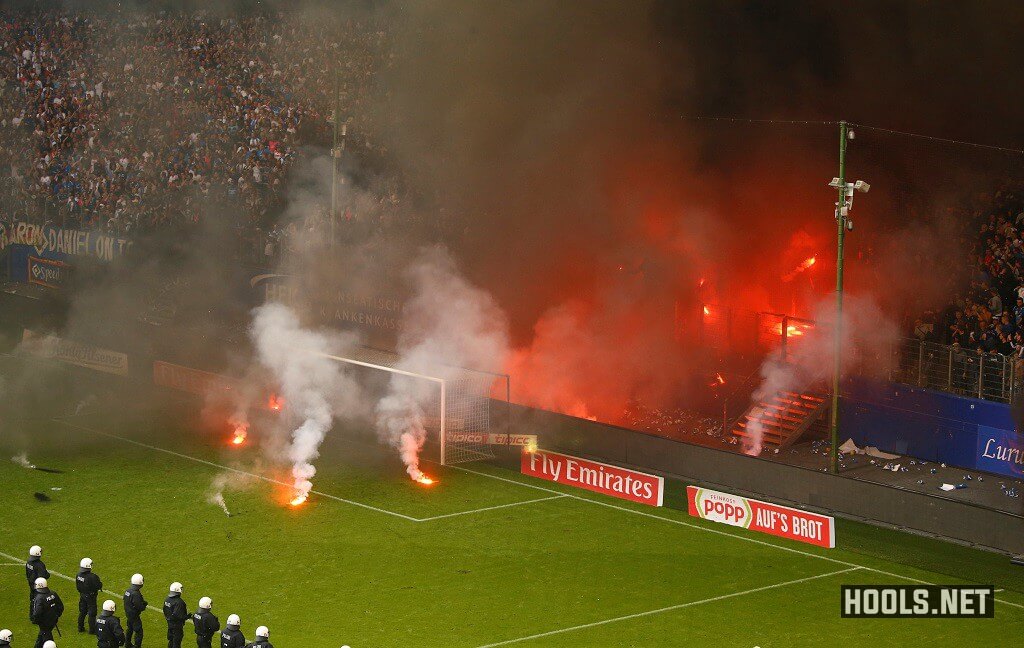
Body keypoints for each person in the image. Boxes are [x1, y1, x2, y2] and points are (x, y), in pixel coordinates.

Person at [30, 577, 64, 648]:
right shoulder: (53, 593)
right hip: (53, 620)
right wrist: (57, 615)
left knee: (48, 640)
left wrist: (36, 621)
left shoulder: (39, 598)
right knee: (42, 635)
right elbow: (60, 606)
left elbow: (37, 613)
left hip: (44, 623)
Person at [77, 558, 103, 634]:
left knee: (82, 612)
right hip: (91, 597)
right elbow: (98, 585)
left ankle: (80, 627)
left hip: (82, 595)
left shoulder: (78, 575)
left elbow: (78, 587)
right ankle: (92, 630)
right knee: (92, 613)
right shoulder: (92, 576)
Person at [123, 574, 147, 648]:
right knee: (139, 631)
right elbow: (139, 606)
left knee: (129, 629)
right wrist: (144, 605)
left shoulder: (128, 591)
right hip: (134, 615)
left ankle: (127, 643)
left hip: (128, 613)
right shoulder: (135, 593)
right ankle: (137, 646)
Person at [26, 546, 49, 618]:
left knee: (33, 599)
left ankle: (31, 615)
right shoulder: (39, 564)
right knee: (39, 600)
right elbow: (43, 576)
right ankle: (36, 616)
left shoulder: (28, 562)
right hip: (38, 585)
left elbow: (27, 573)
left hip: (31, 583)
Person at [163, 583, 188, 648]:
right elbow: (178, 616)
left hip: (169, 624)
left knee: (171, 641)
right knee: (176, 643)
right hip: (177, 626)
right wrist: (187, 617)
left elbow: (165, 610)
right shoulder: (179, 602)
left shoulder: (167, 599)